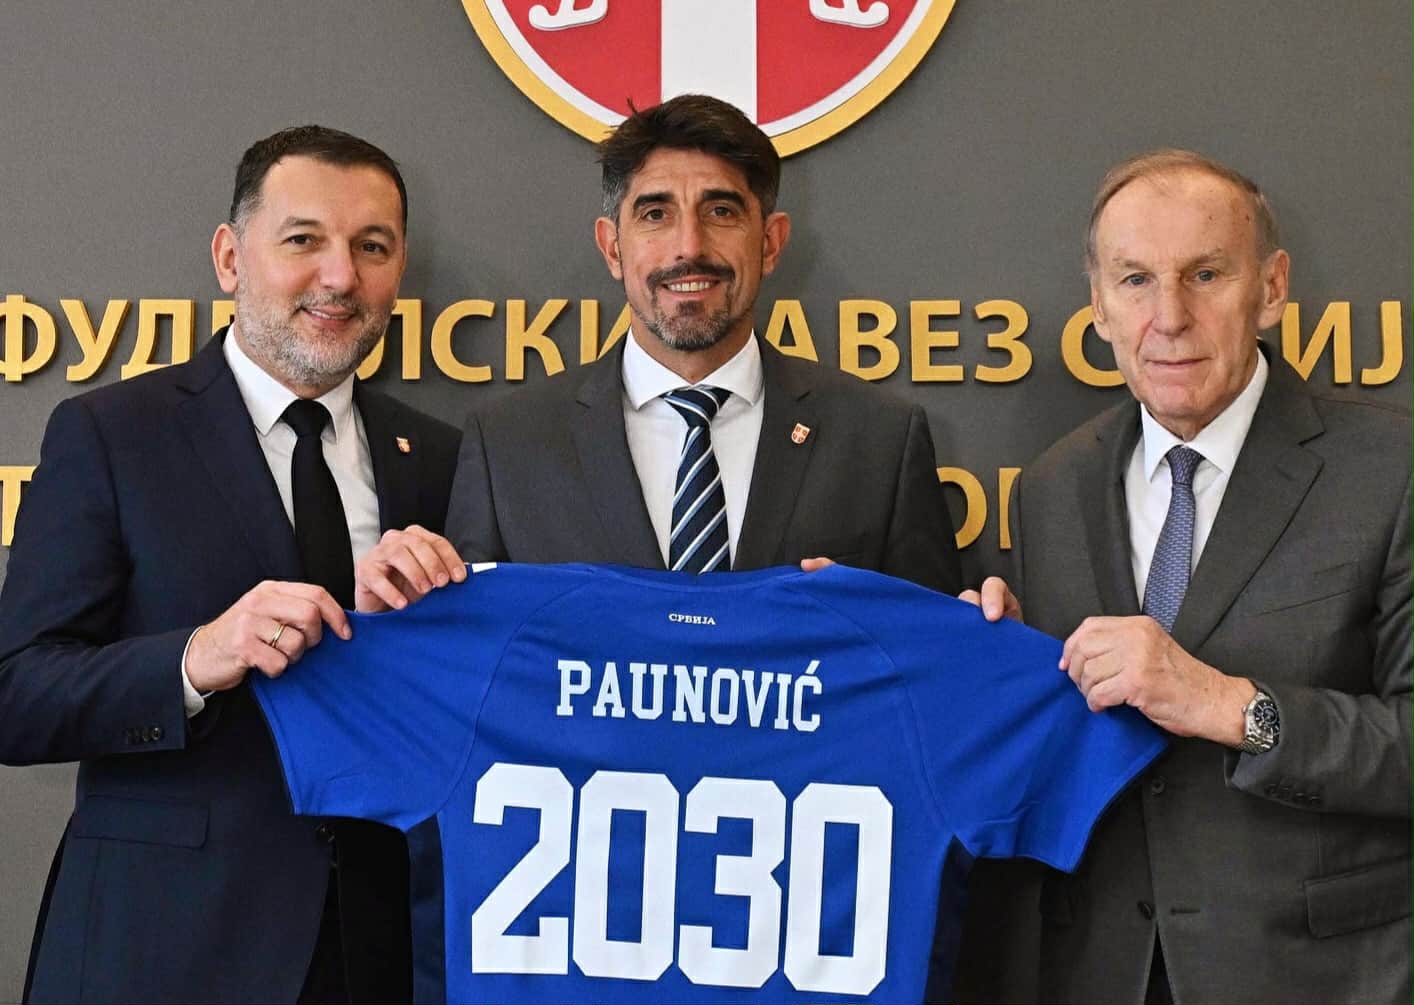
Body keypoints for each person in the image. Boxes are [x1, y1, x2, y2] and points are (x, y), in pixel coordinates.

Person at [0, 125, 462, 1003]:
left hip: (379, 951)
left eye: (372, 247)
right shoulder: (111, 434)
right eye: (304, 239)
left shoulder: (440, 458)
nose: (340, 276)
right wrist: (193, 658)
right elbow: (14, 694)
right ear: (229, 257)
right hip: (163, 948)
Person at [961, 149, 1412, 1004]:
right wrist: (997, 665)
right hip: (1100, 973)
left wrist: (1231, 705)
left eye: (1205, 274)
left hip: (1321, 978)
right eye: (1135, 280)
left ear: (1270, 288)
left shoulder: (1392, 469)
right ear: (1099, 304)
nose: (1169, 317)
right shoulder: (1055, 484)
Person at [372, 94, 957, 602]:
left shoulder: (881, 440)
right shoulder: (509, 445)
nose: (689, 246)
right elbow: (476, 661)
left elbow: (932, 660)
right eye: (655, 214)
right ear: (613, 248)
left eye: (721, 211)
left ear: (771, 243)